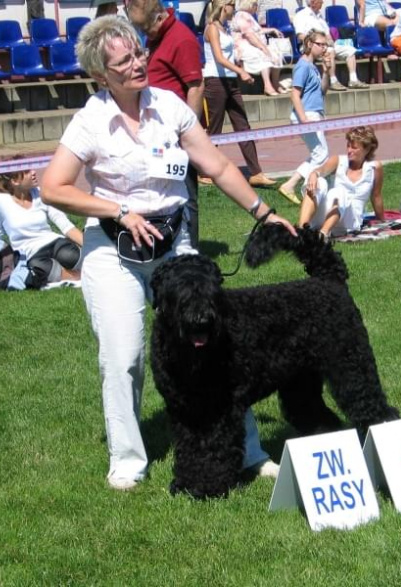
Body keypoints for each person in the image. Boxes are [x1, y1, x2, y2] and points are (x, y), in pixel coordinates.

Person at [40, 16, 294, 491]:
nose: (138, 64)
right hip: (114, 250)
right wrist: (117, 210)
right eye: (124, 62)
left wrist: (263, 213)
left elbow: (216, 164)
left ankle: (249, 453)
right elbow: (52, 187)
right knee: (125, 357)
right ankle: (128, 459)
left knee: (218, 345)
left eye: (138, 53)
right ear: (101, 76)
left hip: (174, 244)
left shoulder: (169, 105)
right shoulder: (90, 121)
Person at [126, 0, 203, 247]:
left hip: (178, 136)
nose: (145, 35)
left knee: (186, 197)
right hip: (156, 134)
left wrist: (188, 136)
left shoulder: (181, 38)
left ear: (159, 17)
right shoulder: (156, 37)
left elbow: (196, 87)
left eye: (146, 29)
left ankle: (191, 253)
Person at [203, 0, 276, 187]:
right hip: (215, 82)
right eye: (231, 3)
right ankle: (205, 171)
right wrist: (241, 71)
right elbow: (218, 58)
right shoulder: (212, 28)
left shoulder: (226, 28)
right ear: (222, 6)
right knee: (214, 129)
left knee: (243, 126)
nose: (234, 7)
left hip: (230, 82)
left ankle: (256, 172)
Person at [0, 166, 83, 289]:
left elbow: (65, 225)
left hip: (54, 242)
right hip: (31, 254)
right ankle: (80, 276)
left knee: (68, 256)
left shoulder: (41, 193)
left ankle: (83, 274)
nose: (33, 172)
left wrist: (89, 244)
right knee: (41, 268)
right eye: (27, 171)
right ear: (15, 181)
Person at [299, 126, 384, 237]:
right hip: (329, 213)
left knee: (339, 192)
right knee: (320, 181)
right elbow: (322, 170)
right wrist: (314, 174)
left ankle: (323, 234)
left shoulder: (374, 167)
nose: (349, 151)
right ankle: (300, 231)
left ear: (367, 149)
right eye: (348, 146)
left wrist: (382, 221)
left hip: (350, 221)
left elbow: (376, 196)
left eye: (354, 148)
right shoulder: (339, 160)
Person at [278, 30, 331, 205]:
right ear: (309, 44)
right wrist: (303, 119)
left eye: (325, 45)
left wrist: (327, 71)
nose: (324, 48)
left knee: (320, 154)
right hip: (306, 114)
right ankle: (297, 186)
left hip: (314, 113)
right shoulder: (302, 66)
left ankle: (293, 185)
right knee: (321, 154)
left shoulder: (313, 67)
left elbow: (322, 91)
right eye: (320, 44)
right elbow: (294, 94)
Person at [294, 0, 369, 91]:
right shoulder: (301, 15)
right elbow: (300, 36)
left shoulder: (320, 17)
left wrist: (330, 41)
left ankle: (353, 80)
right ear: (313, 2)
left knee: (349, 50)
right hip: (310, 46)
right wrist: (318, 42)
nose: (323, 2)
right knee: (330, 51)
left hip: (325, 44)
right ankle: (333, 81)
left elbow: (328, 35)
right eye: (320, 1)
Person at [230, 0, 286, 96]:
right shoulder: (241, 16)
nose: (257, 7)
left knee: (276, 53)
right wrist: (263, 47)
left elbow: (258, 31)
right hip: (243, 47)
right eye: (255, 5)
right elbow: (249, 35)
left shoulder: (249, 16)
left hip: (253, 45)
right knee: (263, 54)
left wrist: (272, 29)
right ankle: (267, 85)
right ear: (250, 5)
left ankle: (275, 83)